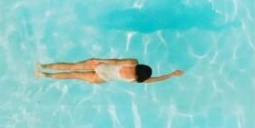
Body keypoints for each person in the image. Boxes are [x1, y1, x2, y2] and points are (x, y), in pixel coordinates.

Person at [36, 58, 183, 84]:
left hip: (102, 67)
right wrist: (171, 75)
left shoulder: (133, 62)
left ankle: (44, 66)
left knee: (72, 67)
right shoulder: (138, 80)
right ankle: (45, 75)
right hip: (103, 79)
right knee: (73, 75)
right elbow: (157, 79)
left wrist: (98, 59)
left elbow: (115, 61)